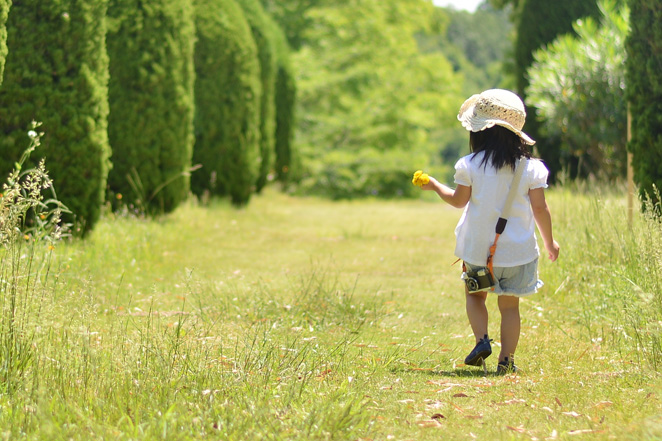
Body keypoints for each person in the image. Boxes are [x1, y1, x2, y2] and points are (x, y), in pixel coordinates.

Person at [417, 89, 560, 374]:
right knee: (509, 308)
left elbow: (458, 201)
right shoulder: (532, 169)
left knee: (475, 296)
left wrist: (434, 185)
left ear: (479, 131)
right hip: (517, 254)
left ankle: (482, 340)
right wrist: (550, 243)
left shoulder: (469, 165)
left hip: (479, 252)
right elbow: (540, 210)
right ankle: (506, 361)